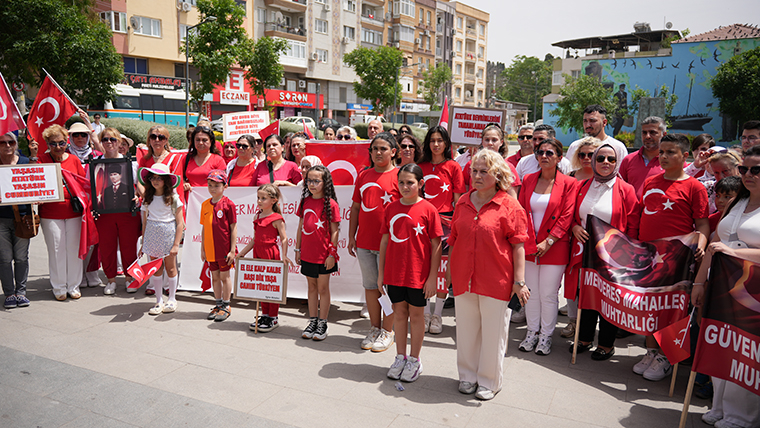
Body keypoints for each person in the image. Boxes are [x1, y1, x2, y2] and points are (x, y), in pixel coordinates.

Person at [448, 149, 529, 400]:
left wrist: (519, 282)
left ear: (498, 175)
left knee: (494, 334)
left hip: (496, 280)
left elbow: (518, 247)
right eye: (474, 171)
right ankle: (467, 376)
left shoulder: (510, 205)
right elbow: (453, 241)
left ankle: (489, 381)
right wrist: (450, 276)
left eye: (485, 171)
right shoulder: (462, 202)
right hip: (464, 278)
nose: (478, 176)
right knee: (467, 331)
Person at [692, 145, 760, 428]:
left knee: (746, 353)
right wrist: (700, 281)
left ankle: (743, 417)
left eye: (756, 170)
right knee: (722, 345)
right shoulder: (737, 203)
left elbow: (724, 247)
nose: (748, 175)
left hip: (752, 294)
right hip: (721, 287)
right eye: (744, 169)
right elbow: (714, 243)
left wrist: (734, 252)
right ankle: (720, 405)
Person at [635, 133, 709, 381]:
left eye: (670, 152)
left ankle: (666, 357)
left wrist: (701, 241)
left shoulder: (694, 187)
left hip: (677, 260)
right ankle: (650, 351)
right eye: (661, 152)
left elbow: (703, 224)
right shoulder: (651, 181)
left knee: (672, 309)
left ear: (684, 155)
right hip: (649, 256)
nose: (663, 156)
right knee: (649, 306)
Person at [567, 144, 641, 360]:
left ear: (617, 162)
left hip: (613, 254)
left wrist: (627, 249)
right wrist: (574, 227)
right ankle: (584, 338)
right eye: (600, 158)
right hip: (584, 252)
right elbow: (572, 214)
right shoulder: (582, 186)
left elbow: (634, 222)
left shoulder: (625, 189)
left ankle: (606, 344)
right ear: (593, 162)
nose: (605, 163)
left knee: (608, 298)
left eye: (610, 159)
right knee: (586, 294)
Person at [379, 163, 442, 382]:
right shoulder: (391, 208)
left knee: (416, 317)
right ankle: (400, 356)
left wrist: (432, 277)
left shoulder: (429, 209)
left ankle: (415, 359)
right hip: (395, 274)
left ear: (420, 183)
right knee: (399, 314)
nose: (405, 187)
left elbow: (436, 245)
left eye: (410, 183)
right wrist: (381, 274)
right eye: (402, 182)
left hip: (418, 275)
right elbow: (385, 240)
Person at [517, 137, 576, 356]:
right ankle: (532, 332)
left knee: (549, 294)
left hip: (556, 247)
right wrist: (530, 241)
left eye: (549, 153)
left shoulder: (569, 183)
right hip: (530, 245)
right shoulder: (529, 179)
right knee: (530, 293)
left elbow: (567, 216)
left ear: (559, 158)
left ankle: (545, 336)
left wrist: (549, 241)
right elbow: (521, 211)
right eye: (540, 152)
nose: (543, 156)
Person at [348, 133, 400, 352]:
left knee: (387, 288)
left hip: (390, 244)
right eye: (374, 149)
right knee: (370, 287)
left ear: (393, 152)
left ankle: (388, 331)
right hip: (364, 243)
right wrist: (351, 236)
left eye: (383, 149)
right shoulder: (363, 175)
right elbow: (356, 208)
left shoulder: (400, 175)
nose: (378, 153)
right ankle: (374, 327)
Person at [417, 126, 465, 334]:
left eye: (440, 140)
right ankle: (425, 312)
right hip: (422, 224)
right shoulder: (420, 166)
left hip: (446, 224)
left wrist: (456, 226)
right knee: (423, 268)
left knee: (443, 271)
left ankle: (438, 315)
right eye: (432, 140)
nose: (436, 144)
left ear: (446, 144)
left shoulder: (453, 167)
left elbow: (458, 201)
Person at [557, 136, 601, 336]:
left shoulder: (609, 178)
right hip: (572, 239)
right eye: (581, 154)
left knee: (594, 283)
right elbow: (564, 209)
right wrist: (574, 226)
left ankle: (590, 326)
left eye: (591, 154)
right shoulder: (572, 177)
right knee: (572, 281)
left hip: (600, 241)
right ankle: (573, 321)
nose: (586, 158)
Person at [39, 125, 86, 301]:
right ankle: (59, 287)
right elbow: (34, 184)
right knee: (56, 249)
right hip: (50, 213)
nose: (58, 147)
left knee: (74, 249)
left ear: (67, 141)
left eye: (61, 143)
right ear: (47, 144)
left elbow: (83, 184)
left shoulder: (74, 160)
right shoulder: (41, 160)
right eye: (53, 144)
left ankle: (73, 285)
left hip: (73, 212)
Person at [237, 184, 292, 330]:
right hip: (258, 253)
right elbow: (255, 239)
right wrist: (243, 252)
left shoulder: (277, 218)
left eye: (263, 198)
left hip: (270, 253)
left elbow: (284, 238)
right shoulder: (257, 216)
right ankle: (265, 314)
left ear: (273, 200)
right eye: (258, 198)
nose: (259, 201)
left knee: (271, 285)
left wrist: (285, 255)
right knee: (261, 284)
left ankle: (273, 317)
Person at [94, 127, 141, 295]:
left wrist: (138, 196)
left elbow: (139, 187)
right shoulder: (96, 163)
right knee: (107, 247)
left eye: (112, 140)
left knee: (129, 247)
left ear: (119, 142)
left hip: (127, 213)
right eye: (105, 139)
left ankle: (130, 278)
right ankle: (111, 280)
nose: (109, 143)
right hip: (104, 213)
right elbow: (90, 187)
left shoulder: (131, 163)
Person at [296, 166, 340, 339]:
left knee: (323, 288)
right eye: (309, 180)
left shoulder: (331, 204)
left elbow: (335, 231)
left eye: (316, 181)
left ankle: (323, 322)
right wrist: (297, 249)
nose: (312, 184)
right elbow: (300, 227)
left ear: (325, 182)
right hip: (307, 254)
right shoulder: (305, 201)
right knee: (311, 287)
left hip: (324, 256)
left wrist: (332, 254)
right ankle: (313, 320)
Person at [138, 163, 185, 315]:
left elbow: (180, 223)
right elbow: (145, 222)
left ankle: (172, 298)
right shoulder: (147, 198)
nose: (155, 181)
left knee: (170, 268)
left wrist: (176, 244)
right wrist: (143, 242)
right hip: (152, 234)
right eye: (152, 178)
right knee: (155, 268)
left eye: (159, 178)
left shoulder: (173, 198)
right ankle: (158, 300)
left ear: (166, 180)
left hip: (168, 234)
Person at [200, 170, 237, 322]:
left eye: (216, 185)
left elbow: (233, 228)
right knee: (214, 277)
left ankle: (226, 305)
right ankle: (218, 303)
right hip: (210, 249)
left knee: (224, 276)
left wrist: (232, 250)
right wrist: (202, 248)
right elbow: (203, 228)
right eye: (210, 185)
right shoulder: (204, 205)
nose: (213, 188)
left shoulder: (229, 204)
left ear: (225, 186)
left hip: (223, 249)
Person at [0, 132, 32, 309]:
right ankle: (9, 293)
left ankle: (21, 292)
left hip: (23, 217)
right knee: (4, 259)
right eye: (2, 142)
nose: (7, 145)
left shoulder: (25, 163)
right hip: (1, 219)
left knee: (21, 257)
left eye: (10, 142)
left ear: (16, 144)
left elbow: (38, 183)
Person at [463, 124, 522, 197]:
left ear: (501, 142)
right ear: (482, 141)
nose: (490, 143)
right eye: (487, 140)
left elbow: (513, 198)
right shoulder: (471, 164)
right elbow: (464, 193)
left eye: (494, 140)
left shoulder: (508, 167)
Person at [619, 116, 667, 197]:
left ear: (663, 135)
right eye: (644, 132)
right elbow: (619, 189)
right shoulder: (629, 160)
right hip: (631, 209)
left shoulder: (674, 161)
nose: (647, 136)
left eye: (653, 132)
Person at [182, 126, 226, 200]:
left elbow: (222, 184)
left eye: (204, 140)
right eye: (197, 140)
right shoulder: (186, 158)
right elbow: (180, 176)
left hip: (211, 203)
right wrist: (184, 183)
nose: (201, 143)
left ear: (211, 141)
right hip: (190, 203)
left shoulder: (218, 160)